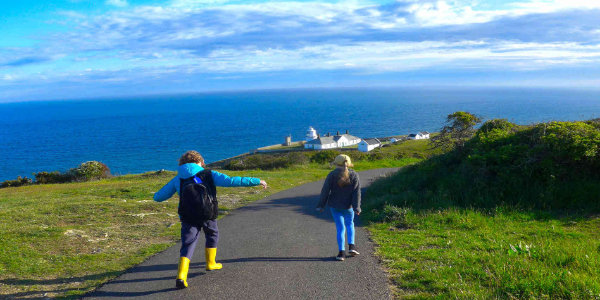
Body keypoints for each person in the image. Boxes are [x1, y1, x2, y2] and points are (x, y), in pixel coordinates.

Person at [153, 150, 267, 289]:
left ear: (182, 164)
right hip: (208, 213)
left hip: (188, 216)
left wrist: (155, 195)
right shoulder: (209, 174)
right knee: (212, 234)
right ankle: (210, 263)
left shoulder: (178, 178)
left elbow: (158, 197)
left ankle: (181, 276)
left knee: (188, 243)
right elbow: (231, 181)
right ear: (200, 162)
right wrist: (256, 181)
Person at [316, 154, 361, 261]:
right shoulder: (354, 175)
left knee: (340, 228)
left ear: (336, 164)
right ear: (349, 164)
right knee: (350, 224)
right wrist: (357, 207)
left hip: (335, 206)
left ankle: (341, 253)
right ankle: (352, 247)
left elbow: (325, 191)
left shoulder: (331, 175)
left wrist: (321, 205)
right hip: (348, 206)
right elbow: (356, 193)